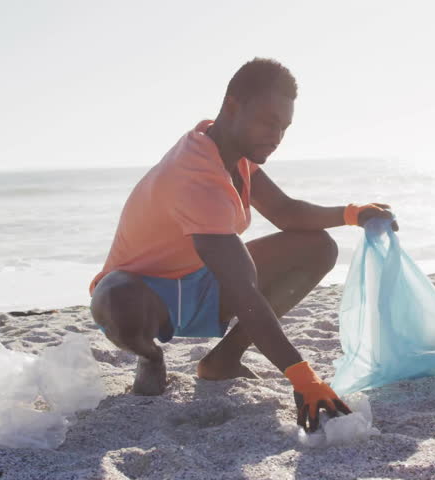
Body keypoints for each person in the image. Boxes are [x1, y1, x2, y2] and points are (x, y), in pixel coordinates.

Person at [88, 58, 397, 432]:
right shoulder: (195, 174)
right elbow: (242, 290)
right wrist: (304, 380)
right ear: (233, 106)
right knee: (119, 298)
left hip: (199, 284)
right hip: (144, 298)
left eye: (284, 126)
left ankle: (222, 361)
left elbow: (285, 211)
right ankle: (150, 356)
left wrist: (353, 213)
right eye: (269, 121)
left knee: (317, 248)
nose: (277, 135)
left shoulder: (234, 154)